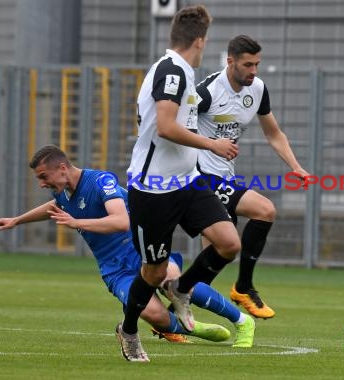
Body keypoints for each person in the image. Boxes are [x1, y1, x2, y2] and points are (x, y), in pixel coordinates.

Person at [0, 145, 255, 363]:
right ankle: (193, 329)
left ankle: (242, 321)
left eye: (44, 176)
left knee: (174, 283)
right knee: (156, 317)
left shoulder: (100, 181)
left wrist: (78, 223)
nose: (42, 183)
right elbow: (52, 207)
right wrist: (16, 220)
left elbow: (121, 221)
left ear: (63, 168)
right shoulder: (64, 193)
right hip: (114, 269)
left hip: (139, 250)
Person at [124, 5, 249, 362]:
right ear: (199, 41)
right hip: (154, 190)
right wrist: (213, 144)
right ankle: (129, 330)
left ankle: (182, 288)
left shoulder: (183, 73)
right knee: (153, 271)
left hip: (187, 183)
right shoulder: (172, 71)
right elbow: (165, 126)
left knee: (228, 243)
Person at [196, 35, 310, 319]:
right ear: (230, 61)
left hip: (225, 177)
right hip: (199, 178)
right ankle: (244, 287)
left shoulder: (257, 89)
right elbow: (173, 128)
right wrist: (210, 145)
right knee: (265, 210)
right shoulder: (207, 91)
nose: (254, 71)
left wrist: (294, 166)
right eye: (248, 64)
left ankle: (170, 318)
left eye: (257, 64)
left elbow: (274, 133)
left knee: (215, 259)